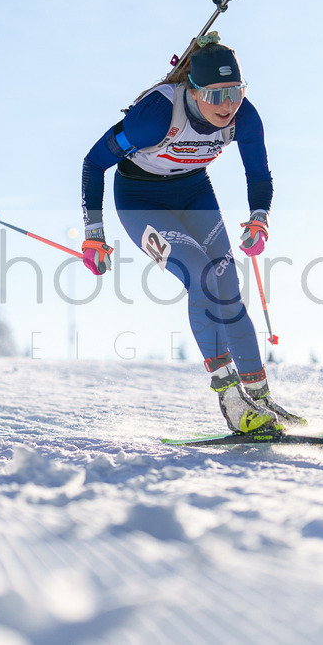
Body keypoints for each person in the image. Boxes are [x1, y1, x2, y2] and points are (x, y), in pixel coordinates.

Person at [80, 33, 303, 434]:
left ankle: (261, 397)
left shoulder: (245, 117)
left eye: (235, 91)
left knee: (227, 280)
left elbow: (259, 174)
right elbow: (94, 163)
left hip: (194, 191)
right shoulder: (154, 117)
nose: (227, 105)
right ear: (193, 91)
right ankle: (231, 398)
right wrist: (94, 234)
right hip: (140, 200)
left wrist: (259, 218)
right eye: (216, 96)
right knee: (202, 276)